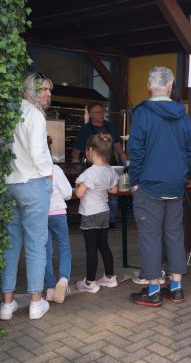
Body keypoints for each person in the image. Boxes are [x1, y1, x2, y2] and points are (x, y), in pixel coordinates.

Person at [128, 66, 191, 306]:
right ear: (170, 87)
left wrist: (134, 180)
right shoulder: (182, 114)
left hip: (149, 185)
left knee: (150, 237)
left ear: (149, 86)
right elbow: (190, 149)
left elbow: (136, 150)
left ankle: (154, 290)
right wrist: (181, 174)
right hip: (175, 185)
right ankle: (176, 287)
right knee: (174, 235)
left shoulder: (142, 113)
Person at [1, 73, 54, 321]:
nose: (48, 94)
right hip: (33, 182)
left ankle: (7, 304)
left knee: (11, 244)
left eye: (49, 90)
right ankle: (35, 302)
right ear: (32, 90)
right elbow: (37, 152)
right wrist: (48, 174)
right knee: (35, 243)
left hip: (9, 184)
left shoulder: (9, 113)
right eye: (44, 89)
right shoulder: (35, 114)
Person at [74, 134, 119, 293]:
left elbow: (79, 194)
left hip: (90, 213)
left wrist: (79, 185)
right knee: (104, 246)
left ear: (91, 150)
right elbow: (114, 190)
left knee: (91, 248)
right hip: (104, 212)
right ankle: (110, 277)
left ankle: (90, 283)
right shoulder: (110, 170)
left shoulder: (90, 173)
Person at [71, 101, 125, 229]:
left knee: (113, 194)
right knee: (94, 192)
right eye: (98, 112)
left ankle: (111, 220)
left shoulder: (110, 126)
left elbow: (117, 144)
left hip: (111, 165)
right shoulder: (85, 130)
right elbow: (77, 148)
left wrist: (123, 157)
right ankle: (94, 214)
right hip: (93, 166)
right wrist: (74, 161)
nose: (101, 114)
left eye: (102, 111)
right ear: (90, 114)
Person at [44, 136, 73, 304]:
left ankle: (49, 288)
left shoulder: (33, 170)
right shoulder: (55, 169)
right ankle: (63, 279)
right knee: (64, 247)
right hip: (58, 213)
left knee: (45, 251)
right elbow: (68, 193)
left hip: (41, 214)